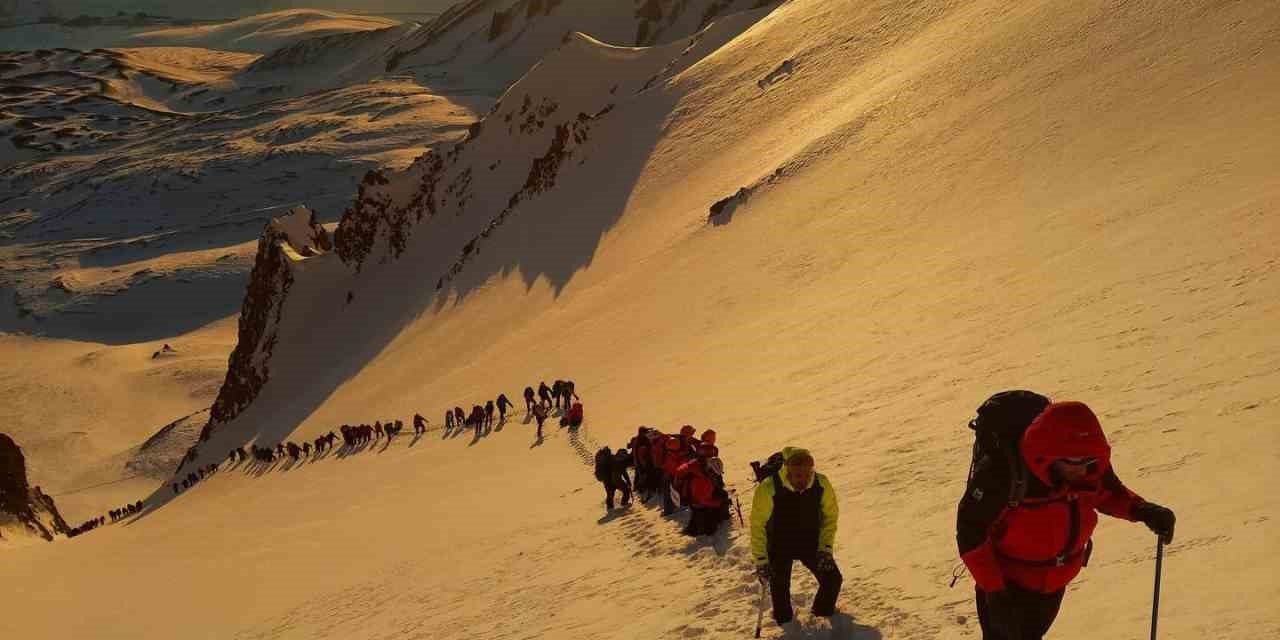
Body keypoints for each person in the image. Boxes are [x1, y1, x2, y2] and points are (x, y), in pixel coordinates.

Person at [957, 401, 1176, 640]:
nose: (1082, 470)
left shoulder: (1088, 463)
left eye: (1087, 462)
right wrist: (995, 592)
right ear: (1046, 454)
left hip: (1054, 584)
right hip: (1007, 585)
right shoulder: (1003, 476)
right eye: (1073, 462)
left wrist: (1144, 510)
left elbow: (1107, 493)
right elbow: (971, 534)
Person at [751, 448, 841, 627]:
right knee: (780, 588)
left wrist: (825, 549)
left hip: (810, 540)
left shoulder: (821, 483)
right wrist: (761, 560)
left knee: (832, 579)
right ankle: (785, 624)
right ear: (787, 470)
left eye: (807, 475)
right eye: (798, 475)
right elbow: (757, 525)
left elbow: (830, 517)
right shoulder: (768, 487)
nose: (803, 479)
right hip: (779, 542)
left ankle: (822, 614)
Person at [676, 455, 729, 536]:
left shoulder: (700, 469)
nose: (716, 476)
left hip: (696, 501)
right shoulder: (702, 480)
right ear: (710, 470)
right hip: (698, 504)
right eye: (714, 473)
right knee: (710, 529)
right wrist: (720, 502)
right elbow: (703, 501)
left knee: (721, 496)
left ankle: (696, 527)